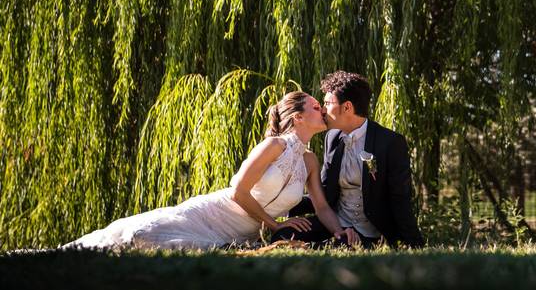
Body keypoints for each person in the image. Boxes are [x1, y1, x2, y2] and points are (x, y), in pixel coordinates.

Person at [61, 92, 348, 250]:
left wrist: (341, 232)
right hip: (215, 213)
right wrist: (276, 227)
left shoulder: (309, 161)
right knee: (142, 235)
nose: (322, 109)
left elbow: (321, 207)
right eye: (315, 106)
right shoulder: (273, 146)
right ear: (298, 117)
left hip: (247, 231)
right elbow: (238, 192)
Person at [272, 71, 424, 248]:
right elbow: (326, 191)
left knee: (337, 246)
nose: (322, 109)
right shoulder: (332, 138)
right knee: (283, 235)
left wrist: (414, 243)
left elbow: (400, 198)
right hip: (335, 222)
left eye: (328, 103)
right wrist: (285, 204)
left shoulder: (389, 142)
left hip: (371, 231)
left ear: (347, 107)